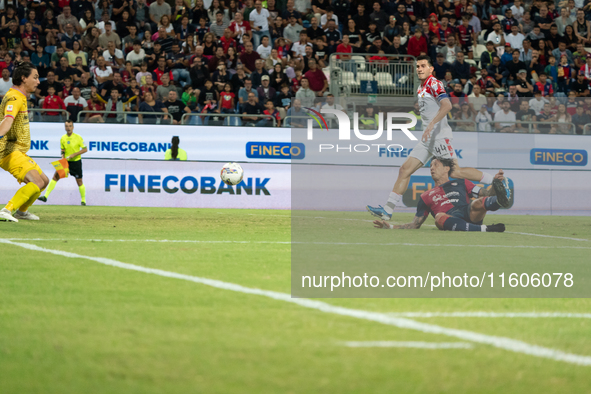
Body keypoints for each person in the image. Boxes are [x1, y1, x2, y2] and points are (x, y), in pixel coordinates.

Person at [366, 55, 502, 221]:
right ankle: (387, 210)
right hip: (427, 139)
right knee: (404, 170)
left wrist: (431, 124)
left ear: (431, 69)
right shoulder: (420, 87)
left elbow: (447, 105)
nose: (420, 69)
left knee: (455, 171)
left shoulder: (434, 83)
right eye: (417, 66)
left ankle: (493, 180)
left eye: (423, 66)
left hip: (438, 136)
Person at [373, 157, 508, 232]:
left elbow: (487, 193)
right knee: (439, 217)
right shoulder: (426, 196)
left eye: (435, 165)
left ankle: (501, 201)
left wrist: (496, 184)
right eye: (430, 166)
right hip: (451, 219)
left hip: (469, 214)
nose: (431, 168)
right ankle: (486, 229)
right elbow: (415, 224)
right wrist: (391, 227)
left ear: (446, 168)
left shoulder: (462, 182)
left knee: (479, 202)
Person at [0, 61, 49, 222]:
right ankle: (7, 209)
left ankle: (22, 211)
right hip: (8, 151)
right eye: (35, 77)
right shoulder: (14, 98)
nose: (38, 81)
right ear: (23, 78)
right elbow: (7, 120)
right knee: (36, 181)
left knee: (44, 181)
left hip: (18, 151)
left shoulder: (20, 96)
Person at [37, 120, 87, 205]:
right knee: (55, 177)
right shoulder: (63, 138)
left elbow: (85, 149)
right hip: (66, 162)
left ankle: (83, 200)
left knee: (79, 181)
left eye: (70, 126)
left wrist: (74, 154)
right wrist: (63, 158)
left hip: (76, 162)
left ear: (73, 127)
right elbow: (62, 150)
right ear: (65, 127)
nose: (68, 128)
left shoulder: (78, 137)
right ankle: (45, 196)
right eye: (67, 126)